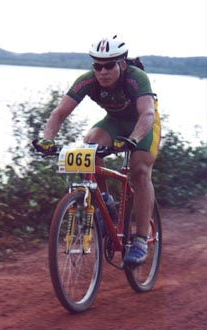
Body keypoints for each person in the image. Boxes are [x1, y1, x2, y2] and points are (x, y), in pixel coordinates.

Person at [34, 35, 161, 266]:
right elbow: (59, 113)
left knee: (140, 170)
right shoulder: (87, 81)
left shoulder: (136, 78)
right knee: (90, 145)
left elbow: (147, 114)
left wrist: (133, 139)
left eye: (109, 65)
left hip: (142, 125)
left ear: (122, 64)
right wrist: (47, 140)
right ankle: (105, 202)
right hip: (114, 121)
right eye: (97, 66)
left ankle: (141, 239)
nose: (102, 71)